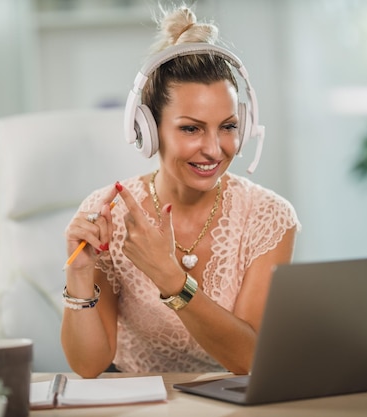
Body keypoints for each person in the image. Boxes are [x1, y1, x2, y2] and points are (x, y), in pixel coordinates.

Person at [61, 5, 300, 378]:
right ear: (148, 130)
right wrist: (78, 273)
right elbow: (88, 366)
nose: (214, 148)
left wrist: (171, 279)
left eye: (228, 126)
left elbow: (249, 360)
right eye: (191, 129)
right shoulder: (109, 212)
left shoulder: (270, 217)